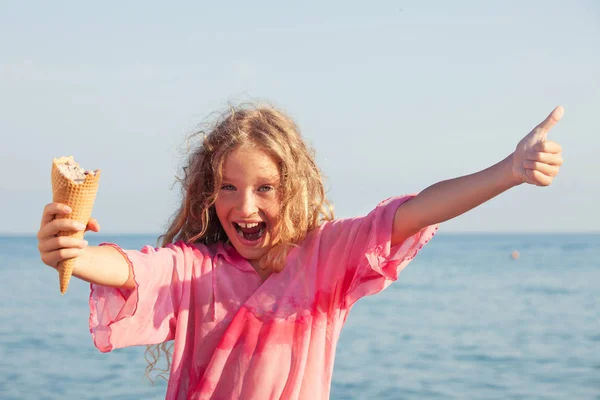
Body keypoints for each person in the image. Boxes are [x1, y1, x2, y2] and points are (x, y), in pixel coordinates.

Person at [37, 103, 565, 400]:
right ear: (207, 193)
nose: (244, 205)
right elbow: (133, 270)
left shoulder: (325, 257)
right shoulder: (196, 270)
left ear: (293, 189)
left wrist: (508, 171)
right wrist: (72, 253)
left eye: (265, 187)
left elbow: (416, 211)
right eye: (227, 187)